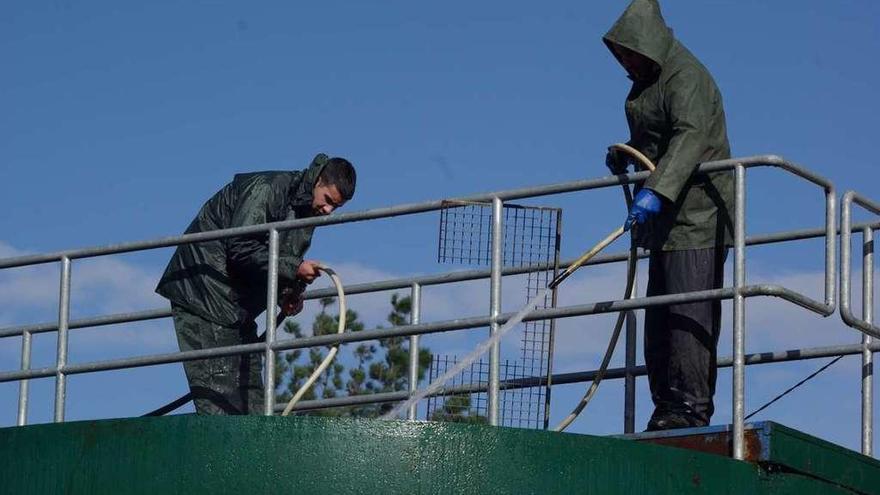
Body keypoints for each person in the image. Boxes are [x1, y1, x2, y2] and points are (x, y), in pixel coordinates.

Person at [603, 0, 734, 430]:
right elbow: (657, 139)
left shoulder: (687, 77)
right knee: (658, 321)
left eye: (629, 54)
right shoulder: (651, 80)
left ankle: (690, 411)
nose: (624, 62)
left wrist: (655, 191)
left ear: (648, 46)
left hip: (698, 218)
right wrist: (625, 151)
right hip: (663, 224)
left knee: (687, 316)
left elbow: (690, 137)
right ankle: (666, 408)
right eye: (619, 55)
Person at [155, 153, 356, 415]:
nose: (328, 211)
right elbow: (241, 247)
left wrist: (286, 292)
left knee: (253, 407)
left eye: (336, 208)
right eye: (328, 200)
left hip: (236, 308)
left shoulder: (307, 210)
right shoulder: (268, 189)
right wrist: (294, 268)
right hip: (204, 295)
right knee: (221, 405)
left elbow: (273, 256)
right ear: (318, 180)